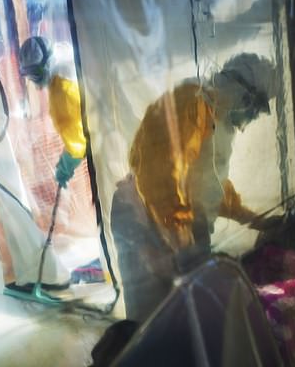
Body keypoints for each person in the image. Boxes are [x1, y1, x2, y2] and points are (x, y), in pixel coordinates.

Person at [111, 53, 279, 321]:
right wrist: (183, 241)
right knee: (152, 325)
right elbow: (163, 178)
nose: (251, 115)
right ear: (239, 89)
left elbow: (209, 187)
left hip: (174, 226)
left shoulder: (217, 119)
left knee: (188, 319)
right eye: (253, 105)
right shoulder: (192, 103)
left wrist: (257, 220)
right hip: (145, 221)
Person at [18, 36, 86, 189]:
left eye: (34, 74)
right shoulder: (65, 55)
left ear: (46, 64)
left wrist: (67, 164)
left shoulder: (60, 89)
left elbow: (79, 142)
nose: (34, 82)